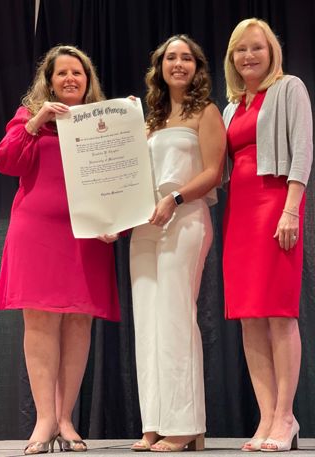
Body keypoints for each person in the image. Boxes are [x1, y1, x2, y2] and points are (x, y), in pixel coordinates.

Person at [0, 45, 121, 454]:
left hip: (87, 236)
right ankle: (44, 420)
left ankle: (66, 419)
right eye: (61, 73)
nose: (70, 78)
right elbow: (7, 163)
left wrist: (114, 220)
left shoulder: (103, 121)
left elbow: (122, 177)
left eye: (77, 73)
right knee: (41, 324)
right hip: (37, 233)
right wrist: (36, 122)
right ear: (48, 81)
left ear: (88, 81)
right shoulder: (27, 119)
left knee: (79, 323)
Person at [129, 35, 226, 452]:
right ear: (160, 66)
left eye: (186, 57)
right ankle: (155, 420)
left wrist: (176, 198)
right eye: (171, 57)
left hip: (184, 217)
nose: (179, 64)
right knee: (147, 322)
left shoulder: (205, 111)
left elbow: (215, 172)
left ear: (197, 67)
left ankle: (186, 424)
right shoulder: (149, 119)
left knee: (174, 317)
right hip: (146, 223)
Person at [222, 18, 313, 452]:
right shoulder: (230, 107)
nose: (249, 56)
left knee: (278, 312)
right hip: (239, 214)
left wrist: (291, 209)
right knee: (249, 317)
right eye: (241, 50)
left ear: (271, 51)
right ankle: (265, 417)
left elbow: (303, 150)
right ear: (232, 58)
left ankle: (286, 416)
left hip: (275, 205)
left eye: (256, 47)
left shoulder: (289, 88)